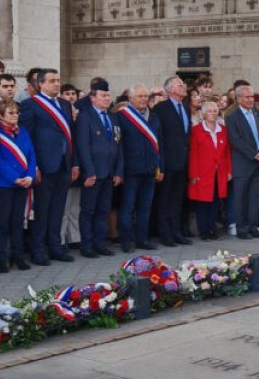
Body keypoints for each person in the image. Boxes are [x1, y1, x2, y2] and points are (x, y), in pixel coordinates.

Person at [20, 69, 78, 265]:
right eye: (52, 81)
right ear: (40, 84)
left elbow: (70, 135)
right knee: (42, 210)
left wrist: (74, 162)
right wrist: (33, 166)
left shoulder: (64, 104)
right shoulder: (30, 105)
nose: (56, 84)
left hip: (63, 163)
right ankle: (38, 250)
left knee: (57, 209)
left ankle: (55, 246)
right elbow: (27, 138)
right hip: (43, 165)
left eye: (58, 80)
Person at [75, 80, 123, 258]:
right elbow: (83, 146)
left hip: (109, 172)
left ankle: (100, 243)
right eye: (103, 95)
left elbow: (118, 144)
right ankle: (87, 246)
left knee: (103, 210)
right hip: (93, 172)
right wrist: (89, 172)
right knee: (88, 211)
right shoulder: (85, 116)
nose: (107, 98)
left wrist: (118, 171)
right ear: (93, 98)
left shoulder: (113, 117)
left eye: (108, 95)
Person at [0, 100, 35, 273]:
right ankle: (1, 258)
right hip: (3, 184)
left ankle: (18, 256)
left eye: (16, 112)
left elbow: (31, 155)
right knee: (2, 223)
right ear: (0, 115)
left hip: (23, 183)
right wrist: (14, 178)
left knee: (17, 222)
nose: (15, 115)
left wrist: (29, 175)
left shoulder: (23, 132)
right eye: (11, 113)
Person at [116, 84, 162, 252]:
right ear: (131, 98)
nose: (143, 99)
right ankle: (126, 241)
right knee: (128, 207)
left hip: (150, 168)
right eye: (140, 96)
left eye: (145, 96)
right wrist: (120, 170)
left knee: (145, 207)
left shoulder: (153, 116)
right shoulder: (122, 116)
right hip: (131, 169)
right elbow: (119, 145)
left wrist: (160, 167)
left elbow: (160, 143)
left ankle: (142, 239)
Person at [224, 84, 259, 239]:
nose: (251, 99)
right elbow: (235, 140)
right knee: (240, 198)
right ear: (238, 99)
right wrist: (254, 154)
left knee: (254, 198)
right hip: (242, 164)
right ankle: (242, 228)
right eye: (247, 97)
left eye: (252, 96)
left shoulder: (258, 114)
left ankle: (253, 226)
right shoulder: (232, 118)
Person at [152, 76, 193, 246]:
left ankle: (176, 232)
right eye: (180, 85)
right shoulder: (161, 108)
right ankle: (165, 233)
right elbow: (159, 138)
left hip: (183, 161)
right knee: (165, 199)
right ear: (171, 90)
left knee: (177, 199)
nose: (184, 87)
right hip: (168, 162)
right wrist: (160, 165)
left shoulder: (186, 107)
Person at [188, 101, 230, 240]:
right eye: (210, 111)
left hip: (219, 172)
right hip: (203, 172)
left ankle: (212, 229)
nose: (213, 114)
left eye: (215, 111)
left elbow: (227, 153)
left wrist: (228, 171)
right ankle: (204, 231)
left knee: (215, 202)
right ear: (204, 114)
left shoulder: (223, 129)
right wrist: (193, 174)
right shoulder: (197, 130)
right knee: (203, 203)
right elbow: (193, 153)